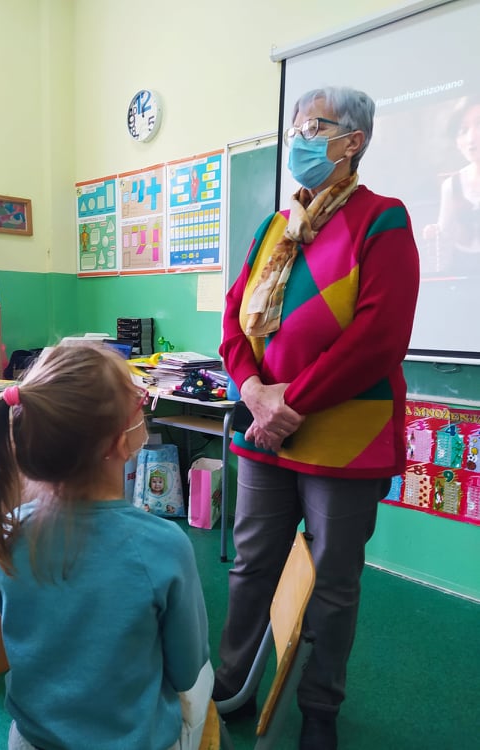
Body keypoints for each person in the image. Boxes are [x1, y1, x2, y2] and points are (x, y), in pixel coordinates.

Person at [213, 86, 420, 750]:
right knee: (251, 565)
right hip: (262, 429)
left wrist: (290, 404)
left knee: (332, 581)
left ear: (352, 141)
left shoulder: (382, 220)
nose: (298, 140)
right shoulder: (273, 227)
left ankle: (319, 705)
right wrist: (253, 391)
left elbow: (378, 337)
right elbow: (233, 319)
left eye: (313, 127)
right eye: (296, 128)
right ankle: (233, 684)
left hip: (343, 436)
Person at [0, 343, 213, 750]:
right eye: (138, 402)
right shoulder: (165, 547)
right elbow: (187, 670)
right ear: (119, 442)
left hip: (33, 740)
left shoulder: (8, 533)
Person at [423, 95, 480, 275]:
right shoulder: (452, 185)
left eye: (478, 124)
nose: (471, 138)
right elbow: (445, 233)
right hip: (464, 268)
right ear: (457, 142)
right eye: (463, 130)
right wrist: (434, 233)